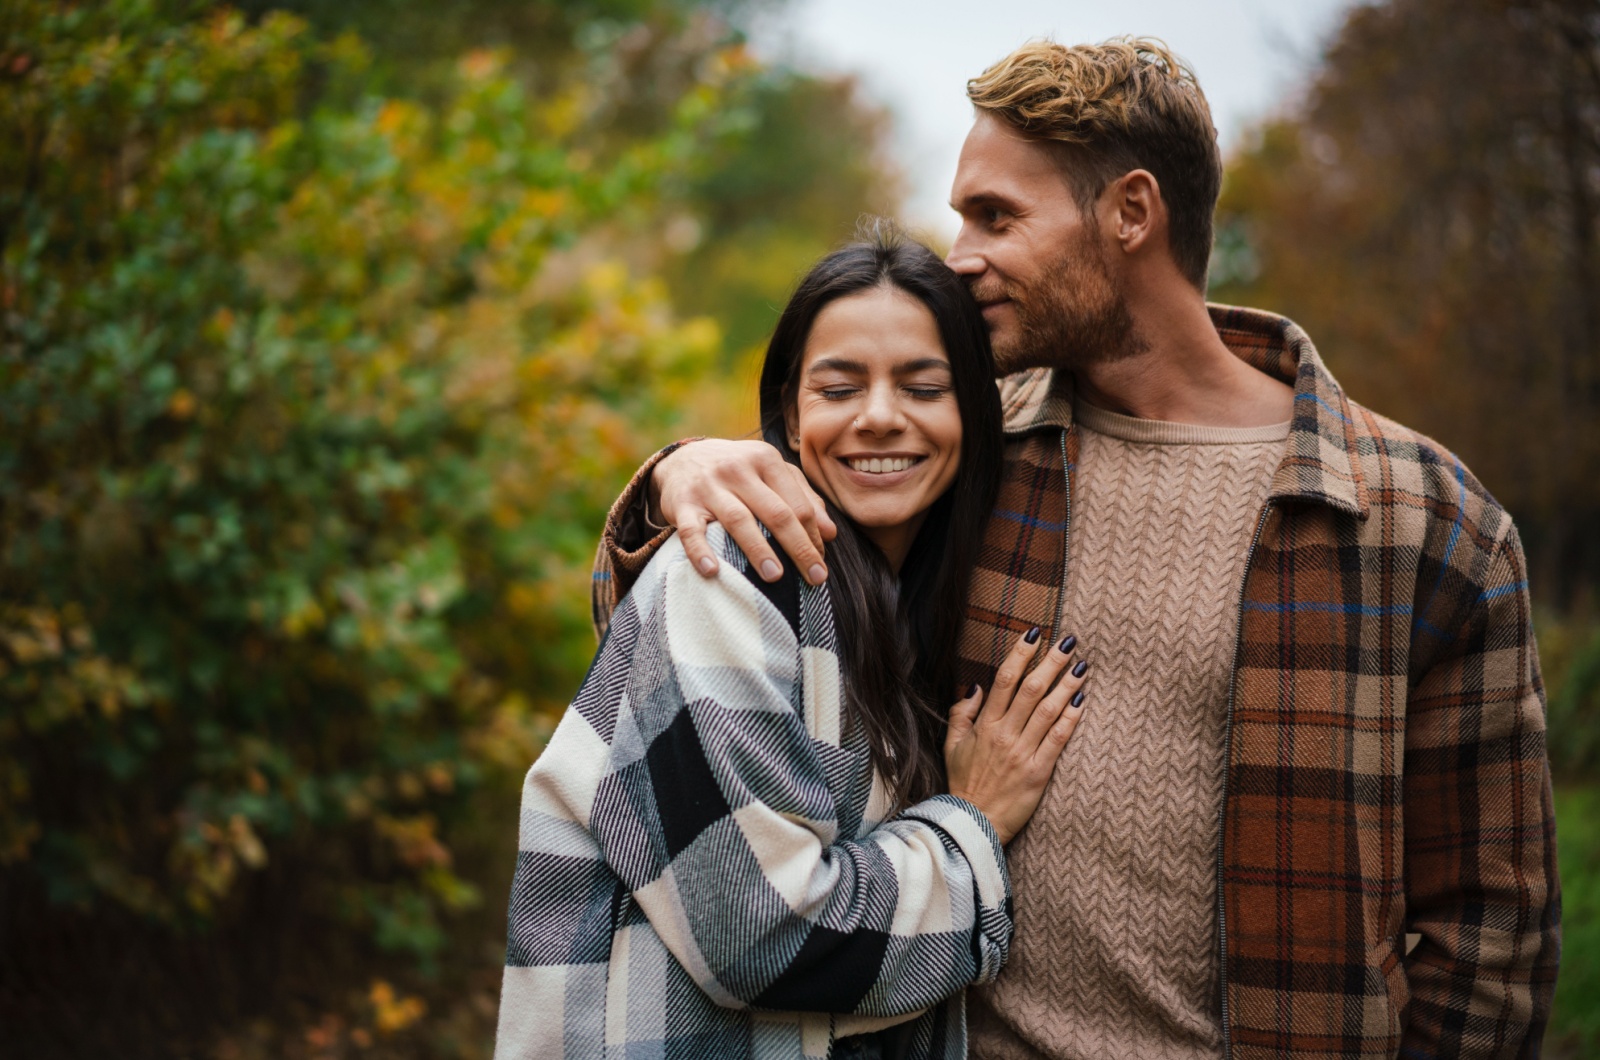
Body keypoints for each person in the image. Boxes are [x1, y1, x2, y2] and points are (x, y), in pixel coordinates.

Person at [590, 38, 1560, 1060]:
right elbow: (722, 628)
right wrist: (676, 472)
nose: (957, 253)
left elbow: (1490, 935)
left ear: (1131, 213)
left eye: (995, 216)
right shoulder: (967, 451)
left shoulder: (1424, 522)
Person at [494, 227, 1094, 1060]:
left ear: (975, 415)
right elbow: (761, 934)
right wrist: (973, 825)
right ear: (790, 410)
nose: (880, 418)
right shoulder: (731, 575)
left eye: (924, 388)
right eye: (839, 387)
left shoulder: (911, 605)